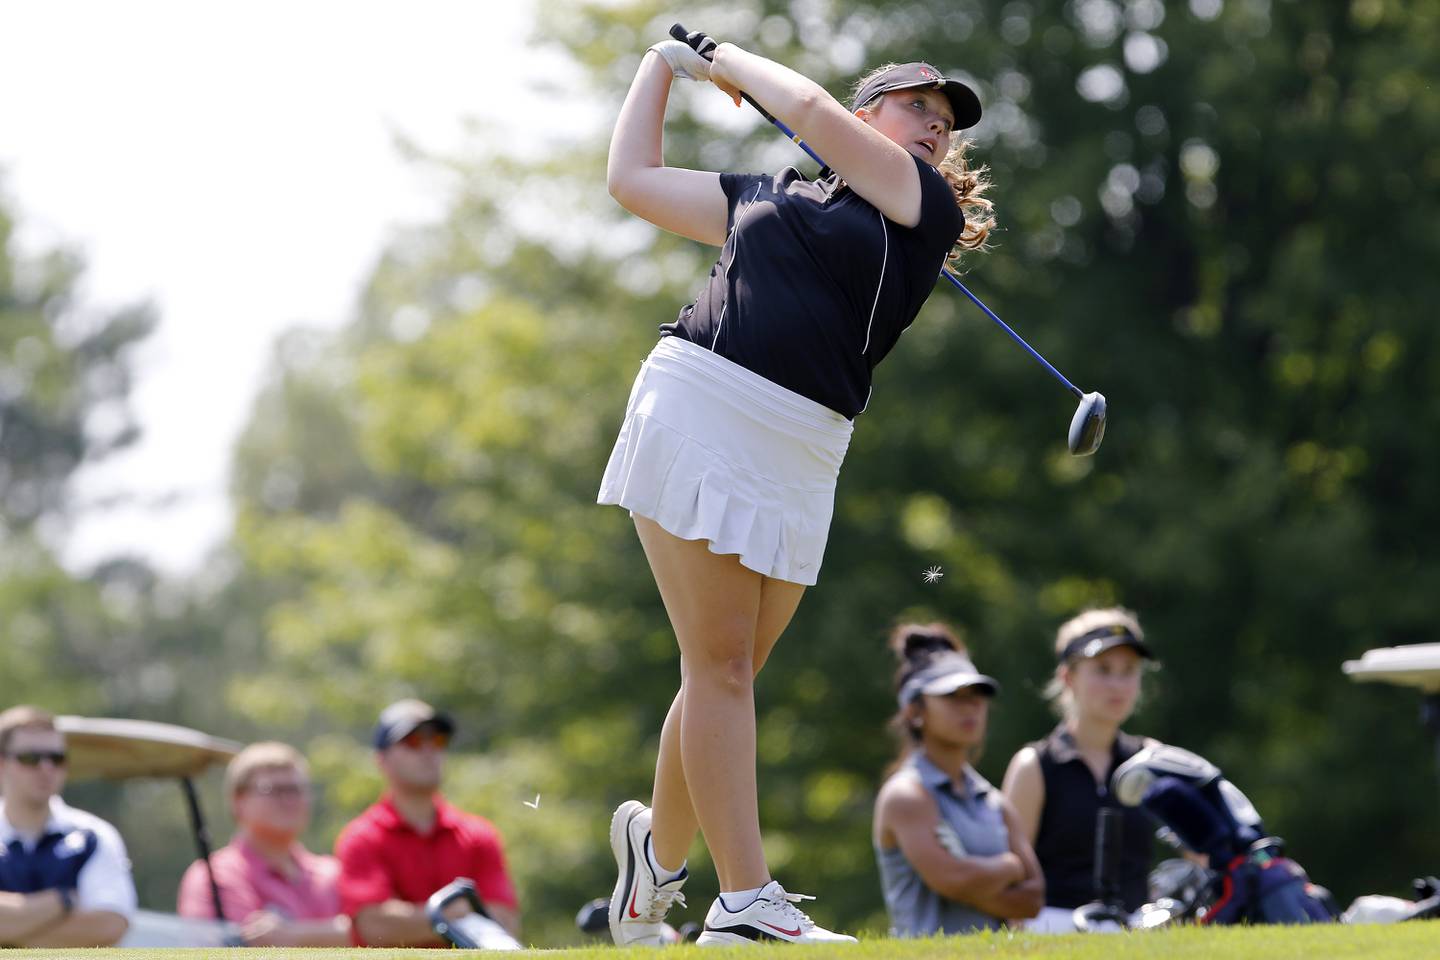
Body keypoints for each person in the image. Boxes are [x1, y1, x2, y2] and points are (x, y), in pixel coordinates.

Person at [599, 29, 994, 947]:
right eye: (915, 110)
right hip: (704, 399)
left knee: (726, 671)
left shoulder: (918, 204)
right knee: (723, 666)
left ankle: (653, 860)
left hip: (807, 444)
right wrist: (661, 65)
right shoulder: (765, 193)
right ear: (872, 114)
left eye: (945, 123)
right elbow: (632, 179)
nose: (934, 130)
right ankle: (745, 902)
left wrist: (723, 55)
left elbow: (808, 112)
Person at [873, 624, 1043, 936]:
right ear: (914, 712)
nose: (970, 707)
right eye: (952, 696)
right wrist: (1009, 867)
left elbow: (1033, 899)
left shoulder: (994, 801)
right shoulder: (905, 795)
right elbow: (951, 879)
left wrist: (971, 884)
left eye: (977, 696)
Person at [1000, 608, 1160, 931]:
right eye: (1102, 669)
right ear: (1068, 677)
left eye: (1128, 670)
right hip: (1051, 934)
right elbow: (1011, 883)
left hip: (1139, 937)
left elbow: (1200, 853)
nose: (1117, 684)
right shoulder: (1034, 766)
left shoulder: (1152, 759)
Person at [334, 699, 519, 948]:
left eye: (438, 740)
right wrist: (459, 914)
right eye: (413, 741)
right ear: (382, 760)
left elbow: (505, 922)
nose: (429, 749)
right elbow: (374, 926)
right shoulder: (361, 838)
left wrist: (410, 917)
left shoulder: (479, 835)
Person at [176, 741, 348, 945]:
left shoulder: (333, 873)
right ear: (238, 801)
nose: (289, 799)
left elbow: (375, 935)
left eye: (296, 789)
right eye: (273, 789)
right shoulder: (214, 876)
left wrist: (291, 936)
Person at [0, 705, 136, 947]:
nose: (46, 768)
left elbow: (108, 926)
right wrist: (62, 900)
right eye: (30, 758)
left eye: (56, 758)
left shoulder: (94, 836)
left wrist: (12, 937)